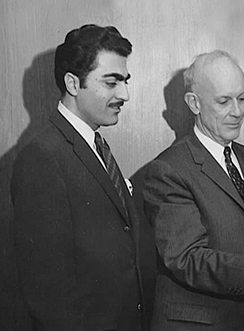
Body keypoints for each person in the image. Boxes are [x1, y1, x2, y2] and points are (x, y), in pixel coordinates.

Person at [143, 50, 244, 331]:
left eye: (242, 98)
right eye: (224, 101)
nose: (238, 111)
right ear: (194, 103)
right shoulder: (168, 170)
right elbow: (186, 258)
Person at [11, 24, 146, 331]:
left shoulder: (95, 145)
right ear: (73, 83)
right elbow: (49, 295)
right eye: (111, 82)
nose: (124, 94)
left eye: (125, 81)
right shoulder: (42, 157)